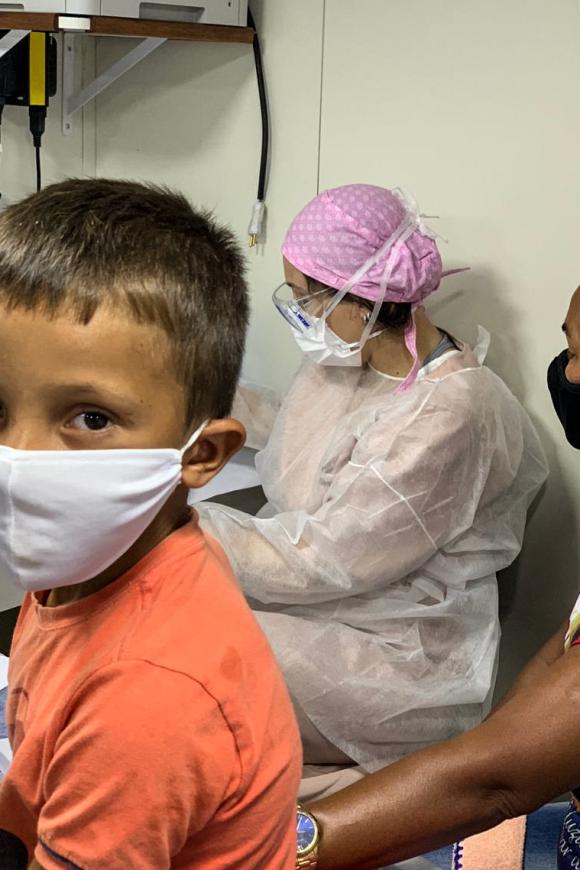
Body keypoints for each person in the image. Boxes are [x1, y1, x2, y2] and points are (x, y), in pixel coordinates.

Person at [196, 183, 548, 785]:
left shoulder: (449, 414)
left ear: (360, 302)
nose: (300, 314)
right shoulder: (354, 355)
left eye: (304, 298)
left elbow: (326, 559)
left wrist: (178, 525)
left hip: (394, 658)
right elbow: (312, 434)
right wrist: (196, 401)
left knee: (180, 643)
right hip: (324, 605)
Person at [0, 179, 302, 870]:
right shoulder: (87, 560)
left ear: (201, 454)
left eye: (91, 418)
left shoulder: (149, 692)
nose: (20, 458)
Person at [290, 284, 580, 870]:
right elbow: (560, 652)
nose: (570, 376)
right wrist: (497, 745)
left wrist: (286, 846)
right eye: (570, 350)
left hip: (416, 651)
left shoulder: (457, 406)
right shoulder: (347, 380)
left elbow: (495, 782)